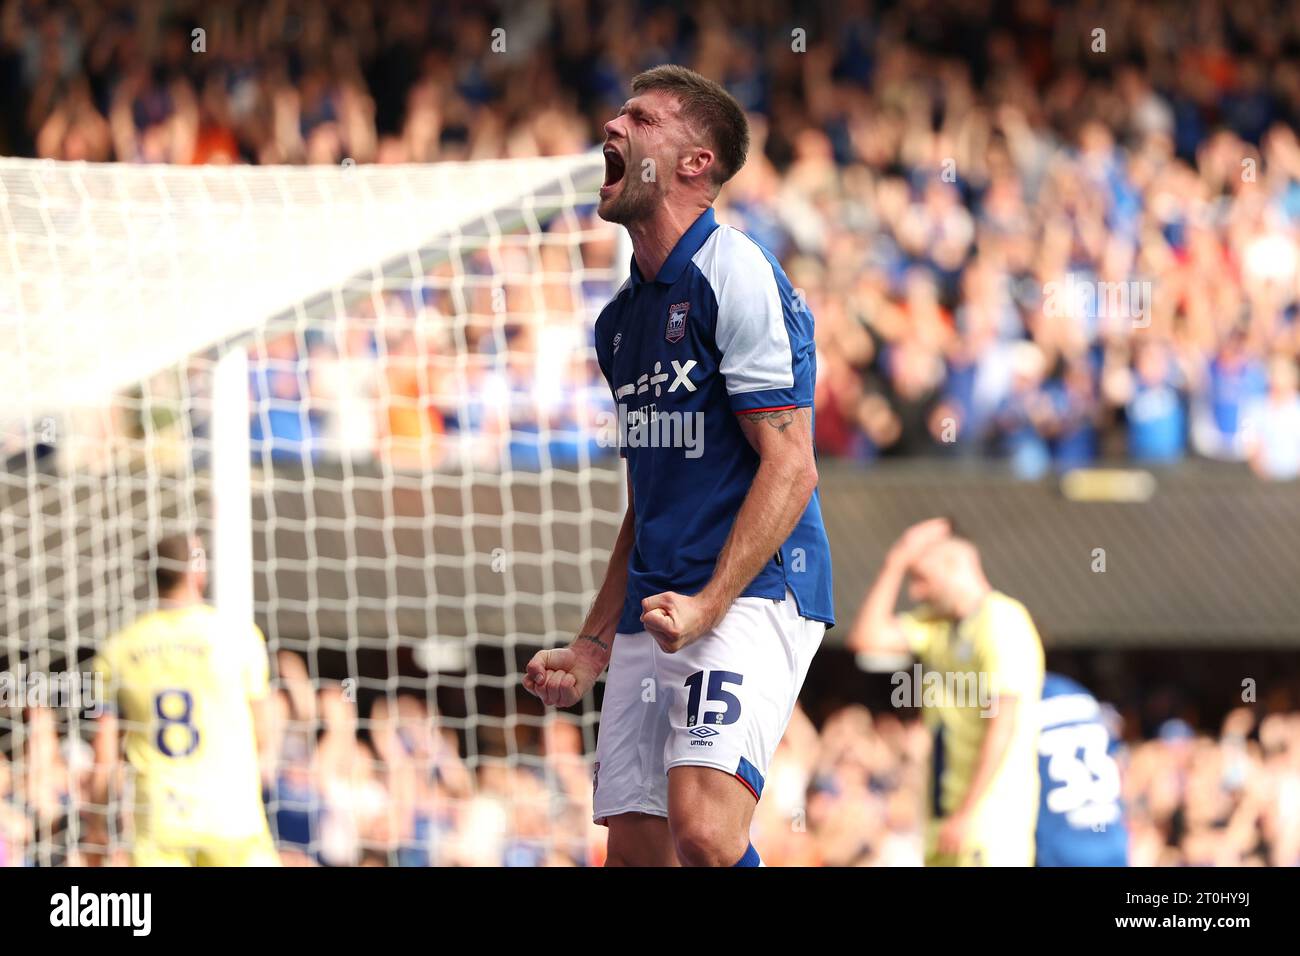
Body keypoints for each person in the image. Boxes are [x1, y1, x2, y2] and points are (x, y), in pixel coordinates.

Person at [522, 65, 834, 867]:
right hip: (661, 604)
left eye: (640, 118)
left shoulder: (736, 272)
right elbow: (647, 499)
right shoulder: (619, 322)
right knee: (634, 854)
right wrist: (593, 643)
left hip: (756, 589)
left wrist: (710, 601)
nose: (612, 128)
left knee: (703, 828)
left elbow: (793, 467)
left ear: (696, 163)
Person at [847, 518, 1043, 865]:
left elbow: (1003, 725)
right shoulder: (937, 626)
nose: (915, 593)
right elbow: (865, 638)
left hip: (987, 826)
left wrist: (966, 814)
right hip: (946, 823)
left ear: (955, 565)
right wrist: (896, 561)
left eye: (921, 578)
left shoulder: (1002, 620)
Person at [89, 534, 279, 866]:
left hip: (161, 819)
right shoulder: (237, 636)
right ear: (197, 573)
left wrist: (96, 820)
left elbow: (105, 752)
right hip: (231, 813)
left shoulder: (119, 649)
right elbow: (265, 727)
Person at [1034, 672, 1130, 866]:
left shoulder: (1016, 701)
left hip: (1060, 846)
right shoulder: (1076, 692)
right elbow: (1118, 762)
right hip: (1111, 840)